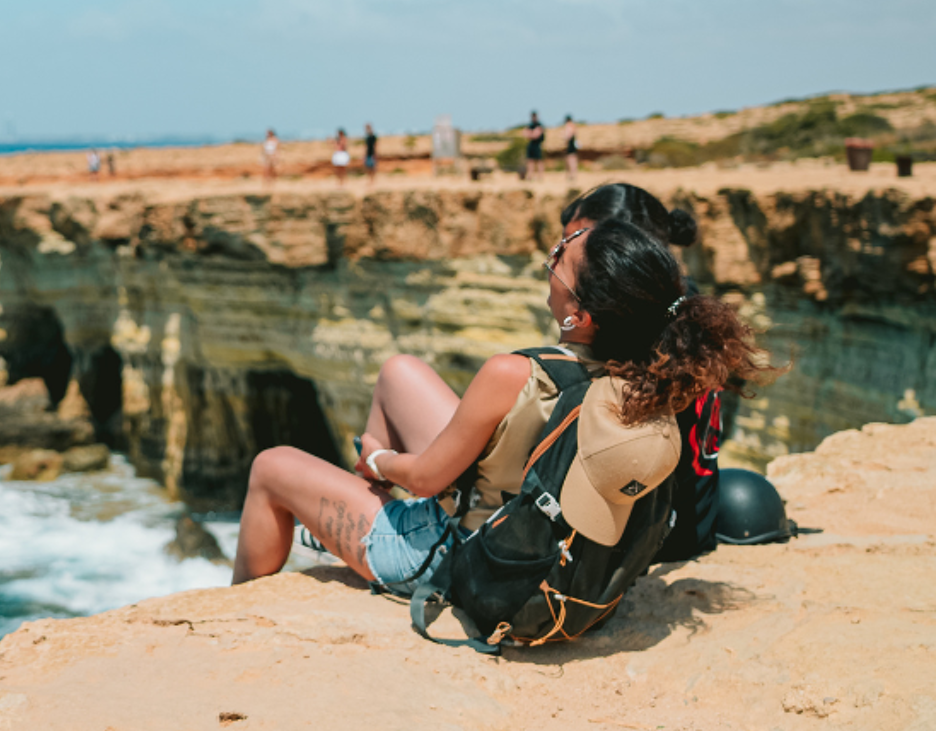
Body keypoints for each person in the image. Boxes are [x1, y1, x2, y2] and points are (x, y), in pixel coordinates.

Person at [230, 217, 770, 591]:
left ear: (578, 317)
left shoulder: (512, 373)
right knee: (399, 373)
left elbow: (422, 479)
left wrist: (376, 460)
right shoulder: (647, 374)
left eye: (560, 258)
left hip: (466, 559)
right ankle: (367, 523)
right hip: (542, 541)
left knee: (270, 466)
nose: (552, 257)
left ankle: (261, 599)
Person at [559, 183, 722, 563]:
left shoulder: (639, 332)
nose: (563, 258)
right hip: (696, 522)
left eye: (575, 244)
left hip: (659, 543)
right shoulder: (683, 309)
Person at [523, 111, 546, 182]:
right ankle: (530, 176)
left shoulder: (539, 125)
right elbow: (526, 134)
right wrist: (532, 134)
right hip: (531, 145)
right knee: (530, 161)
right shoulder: (530, 125)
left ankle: (540, 176)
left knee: (539, 161)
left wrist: (531, 134)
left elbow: (536, 135)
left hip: (537, 145)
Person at [562, 114, 580, 184]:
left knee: (570, 161)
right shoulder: (574, 126)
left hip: (570, 145)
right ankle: (573, 175)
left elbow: (568, 136)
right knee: (573, 160)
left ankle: (571, 175)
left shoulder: (569, 126)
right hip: (572, 144)